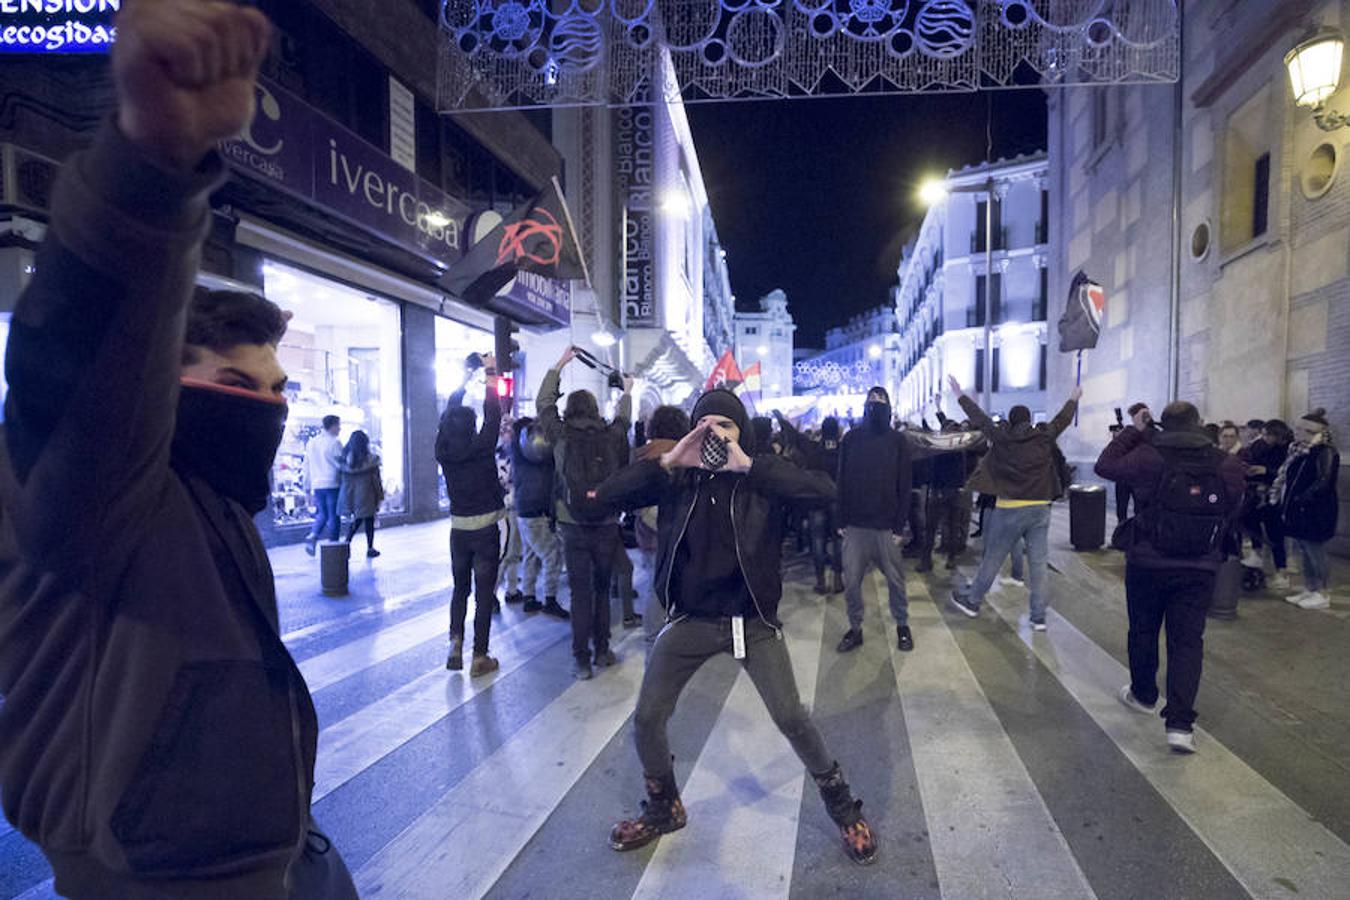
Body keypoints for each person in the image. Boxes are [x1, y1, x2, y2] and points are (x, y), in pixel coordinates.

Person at [0, 3, 359, 896]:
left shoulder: (207, 494)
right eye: (240, 389)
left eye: (280, 391)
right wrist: (150, 165)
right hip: (153, 871)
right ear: (151, 382)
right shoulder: (99, 486)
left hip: (263, 850)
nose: (268, 411)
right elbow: (80, 355)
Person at [596, 389, 878, 866]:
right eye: (704, 424)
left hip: (752, 622)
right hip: (690, 620)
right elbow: (600, 499)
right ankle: (665, 805)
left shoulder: (760, 479)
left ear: (740, 432)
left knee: (792, 718)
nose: (714, 434)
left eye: (724, 425)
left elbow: (828, 492)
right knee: (647, 719)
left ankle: (842, 806)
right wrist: (667, 463)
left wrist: (751, 465)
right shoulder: (676, 481)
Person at [1095, 401, 1245, 753]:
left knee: (1144, 630)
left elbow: (1105, 466)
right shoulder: (1226, 462)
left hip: (1148, 562)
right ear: (1197, 424)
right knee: (1188, 642)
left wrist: (1135, 429)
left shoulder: (1149, 455)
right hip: (1200, 566)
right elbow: (1236, 504)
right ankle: (1180, 725)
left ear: (1162, 422)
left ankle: (1145, 695)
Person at [947, 376, 1081, 630]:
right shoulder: (1043, 436)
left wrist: (961, 395)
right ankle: (1038, 617)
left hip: (1010, 508)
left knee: (993, 558)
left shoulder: (1001, 436)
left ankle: (973, 601)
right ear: (1029, 420)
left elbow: (979, 419)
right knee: (1039, 563)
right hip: (1041, 508)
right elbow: (1061, 420)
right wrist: (1073, 399)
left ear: (1011, 419)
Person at [537, 347, 634, 680]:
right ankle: (603, 650)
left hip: (571, 521)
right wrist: (627, 392)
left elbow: (544, 405)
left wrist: (559, 365)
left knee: (580, 591)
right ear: (594, 410)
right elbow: (624, 421)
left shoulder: (561, 435)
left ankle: (581, 659)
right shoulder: (610, 436)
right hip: (607, 521)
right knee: (602, 588)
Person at [436, 358, 505, 677]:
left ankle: (454, 643)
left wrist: (465, 377)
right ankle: (479, 656)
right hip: (486, 528)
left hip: (458, 530)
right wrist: (490, 373)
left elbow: (450, 410)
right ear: (470, 425)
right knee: (484, 592)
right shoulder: (481, 446)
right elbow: (494, 414)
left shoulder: (443, 449)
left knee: (459, 588)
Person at [836, 386, 914, 653]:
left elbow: (904, 484)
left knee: (896, 581)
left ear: (888, 405)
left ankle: (902, 626)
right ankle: (855, 628)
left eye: (880, 399)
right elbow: (842, 479)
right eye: (871, 399)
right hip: (856, 525)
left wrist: (900, 524)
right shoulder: (851, 439)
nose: (875, 403)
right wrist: (840, 518)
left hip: (886, 527)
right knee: (852, 584)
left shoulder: (898, 441)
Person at [632, 406, 691, 644]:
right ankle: (664, 632)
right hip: (676, 532)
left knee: (653, 586)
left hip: (648, 535)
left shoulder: (641, 454)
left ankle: (654, 635)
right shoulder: (684, 454)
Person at [1275, 408, 1340, 610]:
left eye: (1300, 429)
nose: (1296, 432)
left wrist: (1302, 498)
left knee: (1315, 550)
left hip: (1316, 509)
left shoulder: (1325, 451)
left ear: (1311, 431)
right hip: (1298, 508)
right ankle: (1310, 588)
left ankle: (1323, 592)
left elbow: (1324, 481)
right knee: (1304, 549)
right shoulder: (1301, 451)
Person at [511, 416, 568, 618]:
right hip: (535, 509)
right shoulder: (537, 454)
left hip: (525, 509)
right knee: (552, 555)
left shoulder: (518, 452)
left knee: (531, 554)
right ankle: (550, 600)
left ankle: (529, 597)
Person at [1250, 419, 1294, 590]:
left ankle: (1282, 571)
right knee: (1251, 520)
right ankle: (1257, 552)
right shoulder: (1264, 447)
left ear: (1277, 435)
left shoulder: (1288, 450)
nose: (1264, 437)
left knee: (1276, 534)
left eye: (1267, 434)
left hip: (1277, 498)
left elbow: (1286, 473)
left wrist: (1266, 471)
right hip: (1263, 495)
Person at [339, 430, 383, 558]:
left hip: (351, 495)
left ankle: (346, 544)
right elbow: (376, 480)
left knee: (358, 519)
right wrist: (380, 496)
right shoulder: (371, 461)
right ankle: (369, 547)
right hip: (367, 494)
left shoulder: (346, 460)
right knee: (367, 520)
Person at [304, 414, 344, 555]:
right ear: (332, 426)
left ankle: (313, 535)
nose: (340, 428)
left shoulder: (311, 443)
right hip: (333, 482)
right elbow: (341, 464)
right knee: (334, 515)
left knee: (322, 514)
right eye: (338, 425)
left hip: (317, 484)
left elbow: (306, 466)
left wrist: (307, 488)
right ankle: (334, 547)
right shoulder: (335, 442)